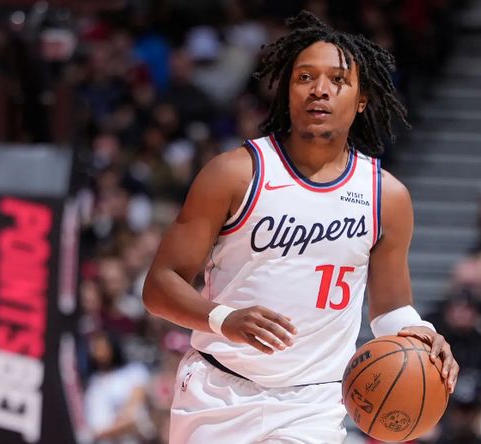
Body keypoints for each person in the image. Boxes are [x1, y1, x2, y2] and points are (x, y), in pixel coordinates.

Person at [143, 11, 459, 443]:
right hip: (216, 392)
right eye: (305, 77)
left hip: (312, 405)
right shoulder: (234, 174)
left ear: (362, 99)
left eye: (338, 80)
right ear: (287, 91)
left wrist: (422, 334)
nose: (320, 89)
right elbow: (159, 286)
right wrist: (223, 319)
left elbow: (390, 311)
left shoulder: (386, 196)